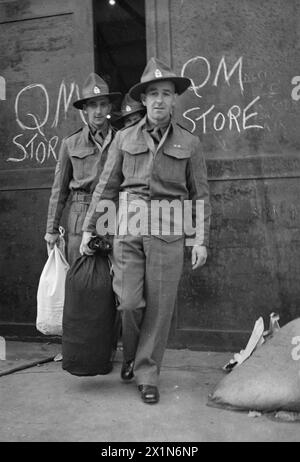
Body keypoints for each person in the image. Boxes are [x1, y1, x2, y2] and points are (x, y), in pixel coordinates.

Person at [80, 57, 211, 404]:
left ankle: (147, 373)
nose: (158, 100)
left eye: (165, 93)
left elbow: (200, 195)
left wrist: (200, 240)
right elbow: (106, 187)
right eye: (152, 93)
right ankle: (132, 357)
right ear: (143, 99)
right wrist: (89, 230)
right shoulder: (123, 138)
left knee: (160, 308)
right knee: (129, 303)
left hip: (170, 229)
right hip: (128, 227)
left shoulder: (190, 143)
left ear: (173, 99)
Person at [44, 73, 121, 264]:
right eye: (93, 105)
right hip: (80, 213)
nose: (98, 111)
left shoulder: (122, 140)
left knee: (115, 277)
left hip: (113, 211)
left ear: (110, 106)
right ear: (85, 109)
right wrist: (51, 229)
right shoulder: (71, 143)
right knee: (79, 277)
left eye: (103, 104)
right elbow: (59, 190)